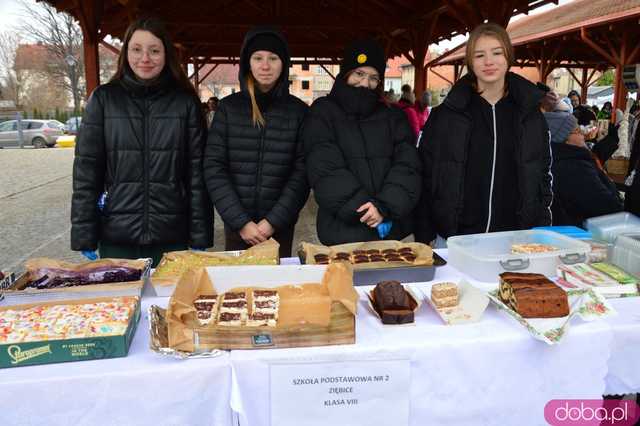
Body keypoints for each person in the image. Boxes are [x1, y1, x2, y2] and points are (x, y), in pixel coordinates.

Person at [71, 17, 213, 266]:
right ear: (126, 52)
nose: (145, 58)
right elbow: (87, 171)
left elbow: (197, 174)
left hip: (172, 233)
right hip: (117, 233)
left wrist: (200, 232)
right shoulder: (104, 100)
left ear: (166, 54)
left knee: (170, 304)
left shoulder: (185, 103)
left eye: (154, 50)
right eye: (136, 49)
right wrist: (85, 232)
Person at [415, 23, 552, 243]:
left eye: (497, 53)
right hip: (455, 238)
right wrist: (424, 235)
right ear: (470, 61)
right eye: (479, 55)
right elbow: (426, 174)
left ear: (508, 56)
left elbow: (543, 173)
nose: (489, 62)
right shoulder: (446, 116)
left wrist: (542, 228)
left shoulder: (530, 115)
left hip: (515, 238)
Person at [303, 38, 421, 245]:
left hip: (389, 230)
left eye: (373, 77)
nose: (365, 83)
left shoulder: (393, 116)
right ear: (346, 73)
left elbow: (408, 166)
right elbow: (325, 168)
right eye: (359, 73)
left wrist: (385, 206)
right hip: (342, 232)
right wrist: (365, 209)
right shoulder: (323, 112)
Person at [204, 27, 309, 258]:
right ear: (247, 63)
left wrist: (272, 222)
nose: (265, 66)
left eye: (273, 58)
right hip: (238, 228)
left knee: (275, 289)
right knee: (237, 290)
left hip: (279, 227)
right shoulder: (228, 109)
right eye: (258, 58)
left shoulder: (299, 112)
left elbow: (301, 173)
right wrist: (241, 222)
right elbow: (214, 167)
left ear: (284, 64)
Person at [545, 110, 623, 225]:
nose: (582, 133)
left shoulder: (558, 159)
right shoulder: (574, 166)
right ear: (565, 139)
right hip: (587, 232)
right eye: (576, 130)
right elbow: (606, 205)